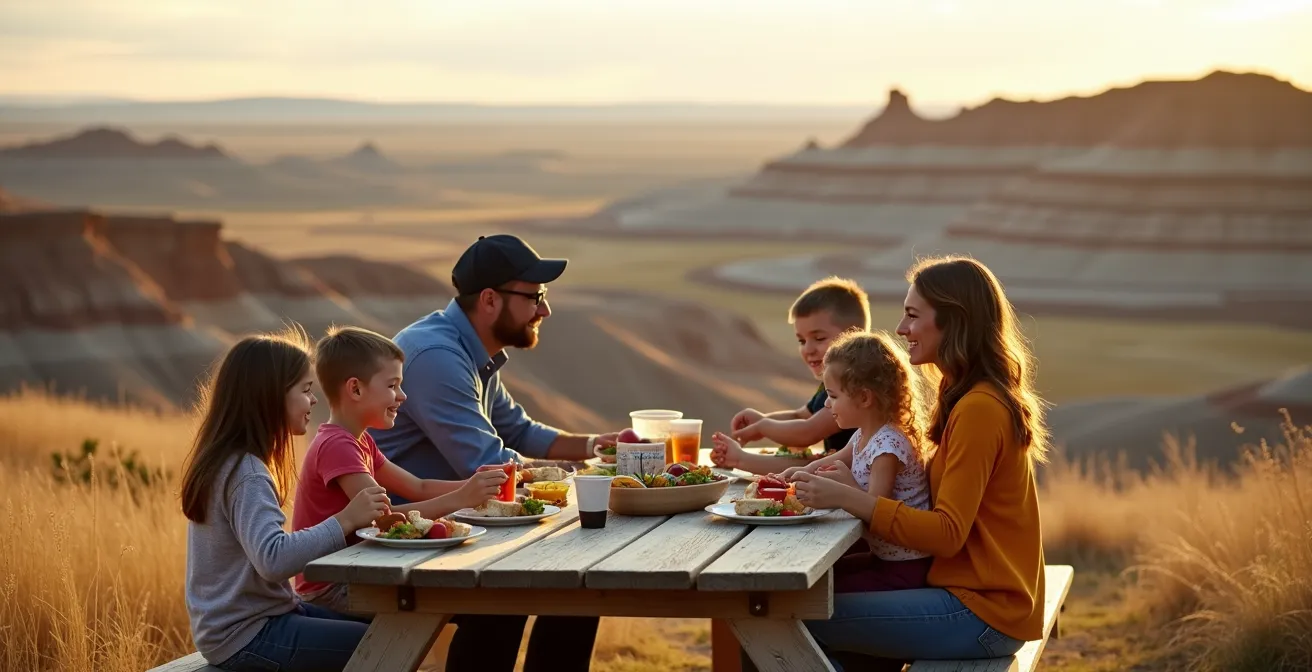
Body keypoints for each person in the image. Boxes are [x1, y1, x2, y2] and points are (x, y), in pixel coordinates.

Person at [372, 233, 622, 672]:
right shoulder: (436, 357)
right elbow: (488, 465)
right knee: (511, 598)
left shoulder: (469, 350)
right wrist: (578, 474)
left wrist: (597, 447)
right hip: (406, 535)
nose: (545, 310)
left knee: (577, 589)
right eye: (535, 296)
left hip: (455, 524)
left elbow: (518, 430)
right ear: (489, 300)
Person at [786, 256, 1049, 667]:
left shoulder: (980, 408)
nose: (901, 329)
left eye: (912, 315)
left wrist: (850, 498)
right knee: (802, 595)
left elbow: (946, 533)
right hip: (965, 592)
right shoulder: (961, 393)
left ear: (953, 321)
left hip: (984, 612)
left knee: (790, 619)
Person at [180, 328, 391, 672]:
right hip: (246, 634)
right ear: (270, 397)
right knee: (383, 647)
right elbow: (273, 559)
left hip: (261, 619)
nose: (313, 401)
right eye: (306, 390)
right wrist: (346, 519)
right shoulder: (246, 472)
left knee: (382, 630)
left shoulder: (233, 461)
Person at [291, 325, 508, 613]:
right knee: (469, 602)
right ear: (355, 388)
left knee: (473, 602)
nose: (402, 395)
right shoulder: (336, 445)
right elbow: (385, 520)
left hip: (356, 570)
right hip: (332, 586)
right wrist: (460, 499)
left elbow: (417, 487)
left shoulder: (360, 440)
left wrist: (476, 486)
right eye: (393, 386)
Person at [773, 330, 934, 594]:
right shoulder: (864, 435)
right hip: (883, 558)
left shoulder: (887, 447)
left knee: (821, 592)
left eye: (833, 396)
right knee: (818, 579)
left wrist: (844, 489)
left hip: (905, 568)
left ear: (864, 398)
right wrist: (798, 473)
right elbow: (834, 459)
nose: (827, 403)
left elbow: (876, 511)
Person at [711, 276, 869, 475]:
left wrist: (763, 427)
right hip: (839, 464)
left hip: (855, 474)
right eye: (802, 341)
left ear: (854, 336)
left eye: (819, 338)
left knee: (808, 467)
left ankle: (739, 459)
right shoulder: (831, 381)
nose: (808, 349)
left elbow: (807, 432)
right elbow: (800, 415)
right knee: (810, 461)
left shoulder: (855, 385)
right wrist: (762, 419)